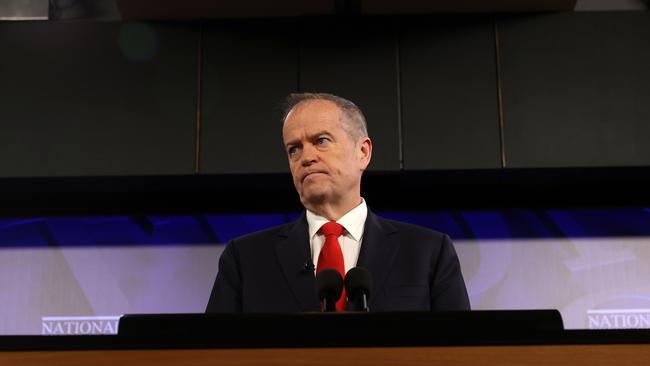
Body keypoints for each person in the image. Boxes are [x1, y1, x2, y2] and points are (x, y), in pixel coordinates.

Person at [206, 93, 470, 312]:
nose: (306, 157)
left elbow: (463, 351)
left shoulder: (429, 252)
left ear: (363, 152)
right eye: (293, 149)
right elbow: (211, 354)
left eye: (321, 141)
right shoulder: (245, 259)